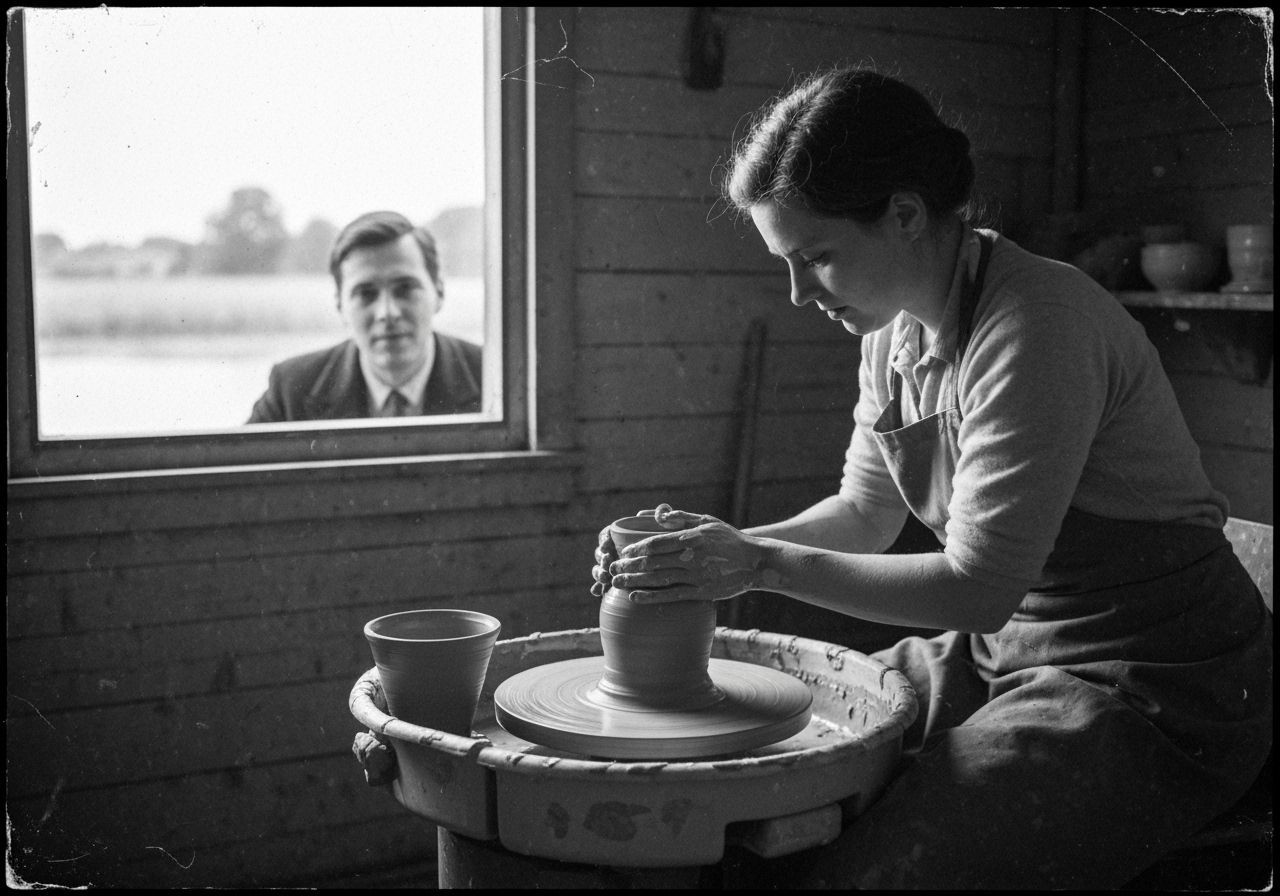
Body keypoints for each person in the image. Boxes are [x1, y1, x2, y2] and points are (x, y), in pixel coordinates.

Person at [590, 68, 1272, 889]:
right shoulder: (894, 335)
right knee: (792, 753)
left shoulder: (1035, 326)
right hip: (1003, 650)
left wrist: (759, 566)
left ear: (906, 214)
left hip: (1157, 680)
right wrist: (716, 551)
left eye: (817, 258)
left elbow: (975, 586)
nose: (800, 292)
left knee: (888, 871)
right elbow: (864, 512)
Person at [247, 210, 482, 422]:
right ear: (340, 305)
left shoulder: (495, 379)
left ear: (439, 292)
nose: (387, 313)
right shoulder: (291, 390)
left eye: (405, 289)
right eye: (366, 294)